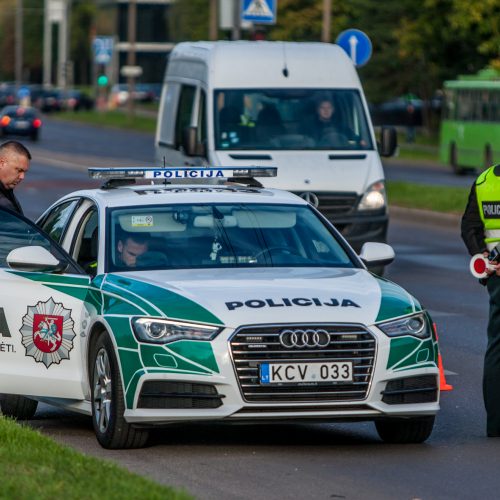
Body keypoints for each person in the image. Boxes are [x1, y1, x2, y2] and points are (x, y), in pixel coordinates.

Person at [461, 163, 500, 437]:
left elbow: (469, 227)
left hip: (497, 274)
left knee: (497, 347)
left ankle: (496, 423)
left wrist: (483, 256)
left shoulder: (485, 181)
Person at [0, 140, 31, 215]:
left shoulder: (6, 190)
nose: (22, 177)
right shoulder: (4, 206)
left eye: (24, 172)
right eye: (19, 170)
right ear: (1, 163)